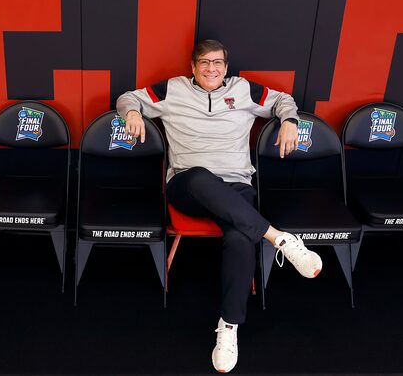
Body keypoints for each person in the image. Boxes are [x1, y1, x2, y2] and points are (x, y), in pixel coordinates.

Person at [116, 39, 322, 373]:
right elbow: (126, 97)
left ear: (226, 66)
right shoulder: (172, 89)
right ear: (192, 66)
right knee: (199, 176)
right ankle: (278, 238)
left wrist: (289, 121)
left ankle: (229, 327)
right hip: (188, 186)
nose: (212, 68)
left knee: (240, 237)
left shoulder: (243, 90)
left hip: (236, 184)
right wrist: (133, 111)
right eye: (204, 62)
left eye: (218, 63)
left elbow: (282, 100)